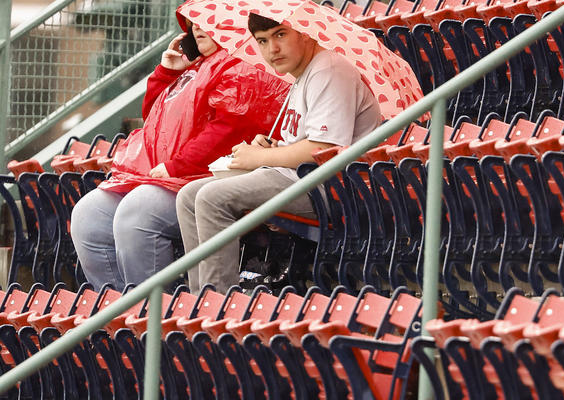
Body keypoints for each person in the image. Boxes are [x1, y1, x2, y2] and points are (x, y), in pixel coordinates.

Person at [70, 14, 288, 288]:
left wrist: (176, 166)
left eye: (209, 18)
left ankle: (155, 320)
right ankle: (123, 318)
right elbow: (155, 118)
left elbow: (229, 129)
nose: (197, 26)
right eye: (194, 21)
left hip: (210, 179)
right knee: (89, 214)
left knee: (138, 213)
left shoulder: (244, 65)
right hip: (170, 177)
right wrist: (167, 73)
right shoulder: (196, 65)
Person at [175, 13, 383, 290]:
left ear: (305, 32)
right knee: (189, 196)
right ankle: (200, 298)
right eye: (262, 40)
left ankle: (218, 305)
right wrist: (271, 147)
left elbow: (323, 148)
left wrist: (259, 157)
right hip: (300, 177)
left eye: (280, 35)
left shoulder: (329, 70)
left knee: (213, 197)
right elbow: (305, 142)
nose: (272, 49)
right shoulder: (302, 74)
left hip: (334, 188)